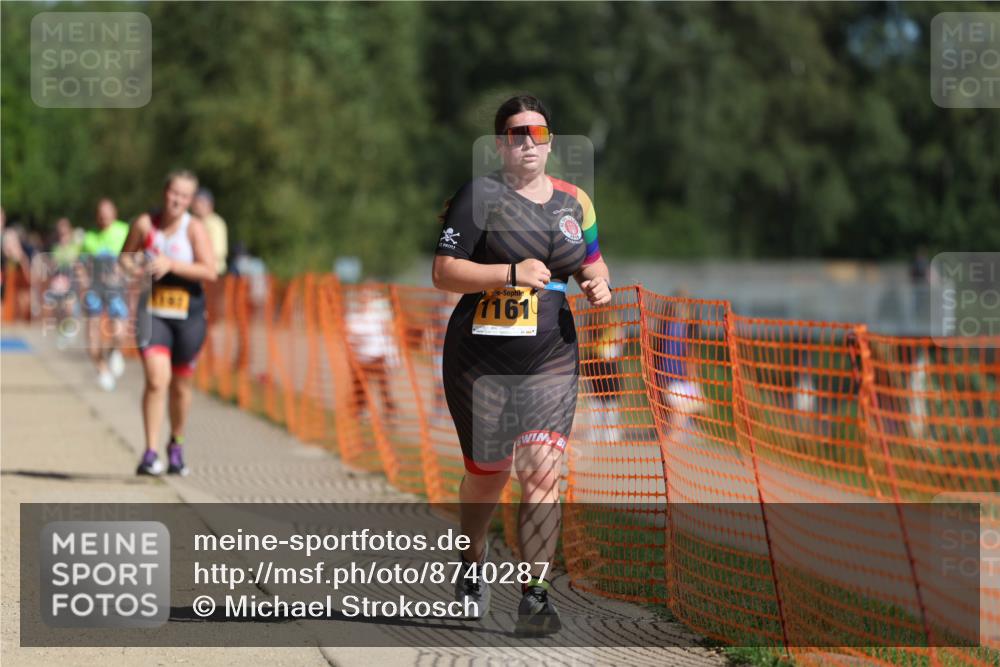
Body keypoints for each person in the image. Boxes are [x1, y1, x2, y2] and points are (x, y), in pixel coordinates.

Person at [432, 95, 611, 636]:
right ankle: (470, 565)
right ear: (500, 143)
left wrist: (597, 283)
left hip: (550, 354)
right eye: (517, 133)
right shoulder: (480, 196)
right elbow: (444, 272)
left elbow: (593, 262)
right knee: (487, 476)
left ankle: (535, 595)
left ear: (551, 142)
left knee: (540, 472)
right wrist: (509, 273)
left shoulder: (575, 201)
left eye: (539, 133)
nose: (528, 142)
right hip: (480, 357)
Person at [120, 170, 216, 476]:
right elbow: (124, 258)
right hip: (153, 311)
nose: (177, 200)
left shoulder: (194, 229)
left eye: (184, 196)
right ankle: (150, 452)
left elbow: (210, 271)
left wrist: (171, 264)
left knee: (180, 386)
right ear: (164, 192)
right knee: (156, 380)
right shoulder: (145, 224)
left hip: (189, 316)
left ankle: (176, 443)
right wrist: (136, 266)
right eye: (174, 193)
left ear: (191, 200)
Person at [80, 199, 131, 390]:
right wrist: (84, 282)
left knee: (119, 333)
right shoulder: (89, 237)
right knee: (92, 337)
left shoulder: (124, 231)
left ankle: (114, 352)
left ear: (114, 213)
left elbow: (135, 257)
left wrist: (123, 271)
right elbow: (81, 264)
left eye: (107, 213)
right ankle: (103, 371)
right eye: (100, 214)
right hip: (94, 291)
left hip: (116, 290)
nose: (104, 217)